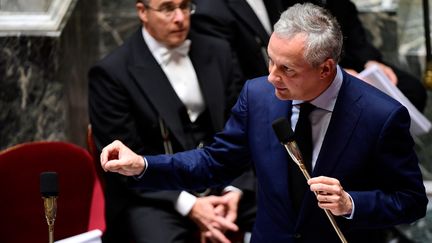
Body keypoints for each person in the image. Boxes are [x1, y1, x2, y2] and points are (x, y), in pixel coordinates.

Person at [100, 3, 428, 243]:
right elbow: (213, 162)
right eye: (271, 61)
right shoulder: (258, 96)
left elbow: (410, 201)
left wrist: (351, 203)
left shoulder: (380, 115)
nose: (271, 78)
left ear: (326, 69)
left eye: (287, 70)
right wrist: (142, 165)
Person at [88, 0, 255, 242]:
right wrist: (190, 205)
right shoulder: (111, 74)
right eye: (167, 8)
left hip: (223, 179)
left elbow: (242, 129)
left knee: (286, 213)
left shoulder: (218, 50)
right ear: (142, 11)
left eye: (185, 6)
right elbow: (123, 163)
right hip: (155, 194)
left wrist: (234, 190)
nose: (179, 18)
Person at [192, 0, 428, 113]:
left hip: (330, 63)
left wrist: (369, 61)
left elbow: (353, 31)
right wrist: (338, 75)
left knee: (410, 89)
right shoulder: (213, 11)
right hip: (300, 70)